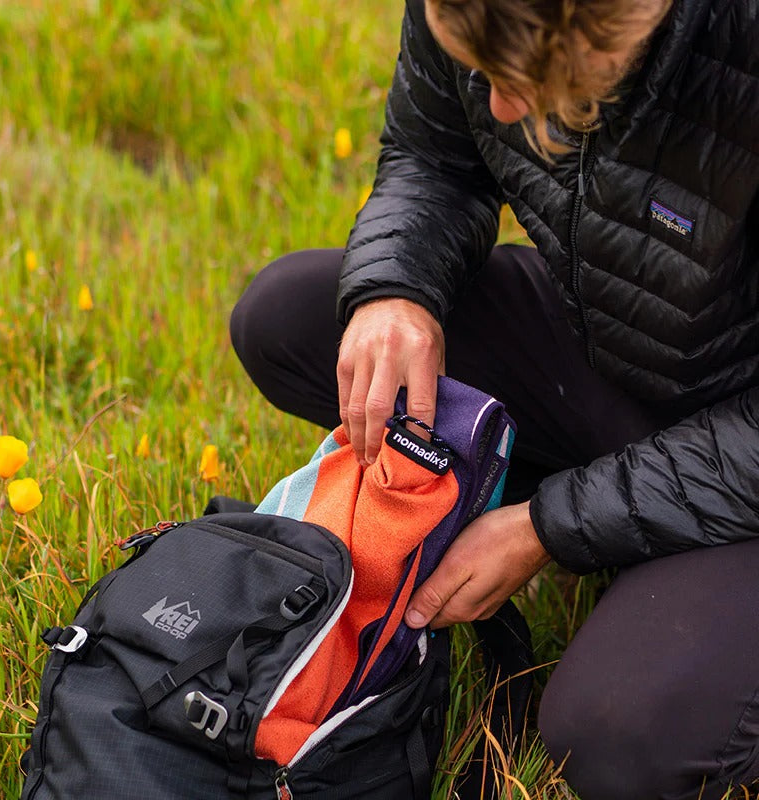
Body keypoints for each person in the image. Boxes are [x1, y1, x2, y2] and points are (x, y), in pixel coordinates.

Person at [230, 0, 759, 797]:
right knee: (286, 319)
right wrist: (397, 288)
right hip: (623, 351)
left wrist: (553, 525)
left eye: (533, 80)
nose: (501, 109)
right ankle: (619, 530)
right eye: (481, 73)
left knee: (615, 740)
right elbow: (436, 154)